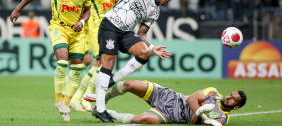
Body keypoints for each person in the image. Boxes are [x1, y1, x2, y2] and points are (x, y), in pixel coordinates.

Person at [93, 0, 182, 123]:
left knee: (144, 53)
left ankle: (113, 80)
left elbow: (141, 33)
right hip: (111, 24)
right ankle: (100, 109)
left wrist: (152, 47)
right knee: (108, 62)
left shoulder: (155, 12)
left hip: (125, 32)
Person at [10, 0, 92, 122]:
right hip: (59, 28)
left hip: (77, 33)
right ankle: (58, 100)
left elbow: (87, 11)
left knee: (76, 68)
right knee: (62, 61)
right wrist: (18, 8)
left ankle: (65, 105)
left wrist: (82, 22)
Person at [70, 0, 124, 112]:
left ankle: (78, 98)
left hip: (110, 29)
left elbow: (125, 0)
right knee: (99, 62)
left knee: (98, 64)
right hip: (95, 29)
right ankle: (84, 96)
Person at [85, 80, 247, 125]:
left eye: (233, 99)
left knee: (142, 120)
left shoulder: (222, 119)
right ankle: (102, 100)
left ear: (236, 107)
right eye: (230, 94)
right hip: (170, 97)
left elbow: (193, 123)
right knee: (129, 84)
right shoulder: (213, 93)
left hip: (171, 115)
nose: (228, 97)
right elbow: (191, 98)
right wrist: (201, 110)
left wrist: (199, 113)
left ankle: (106, 113)